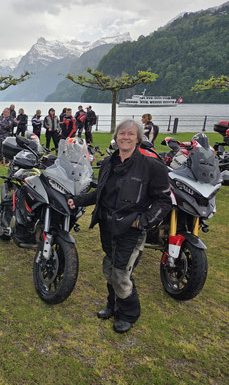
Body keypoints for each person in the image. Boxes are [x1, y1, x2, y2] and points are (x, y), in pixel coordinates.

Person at [67, 119, 171, 333]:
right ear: (116, 137)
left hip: (131, 230)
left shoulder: (151, 166)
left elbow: (164, 201)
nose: (125, 137)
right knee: (110, 266)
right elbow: (101, 193)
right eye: (122, 133)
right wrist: (78, 200)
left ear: (138, 138)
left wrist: (143, 221)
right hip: (107, 225)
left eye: (131, 134)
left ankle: (128, 314)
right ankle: (113, 305)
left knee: (121, 273)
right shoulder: (108, 163)